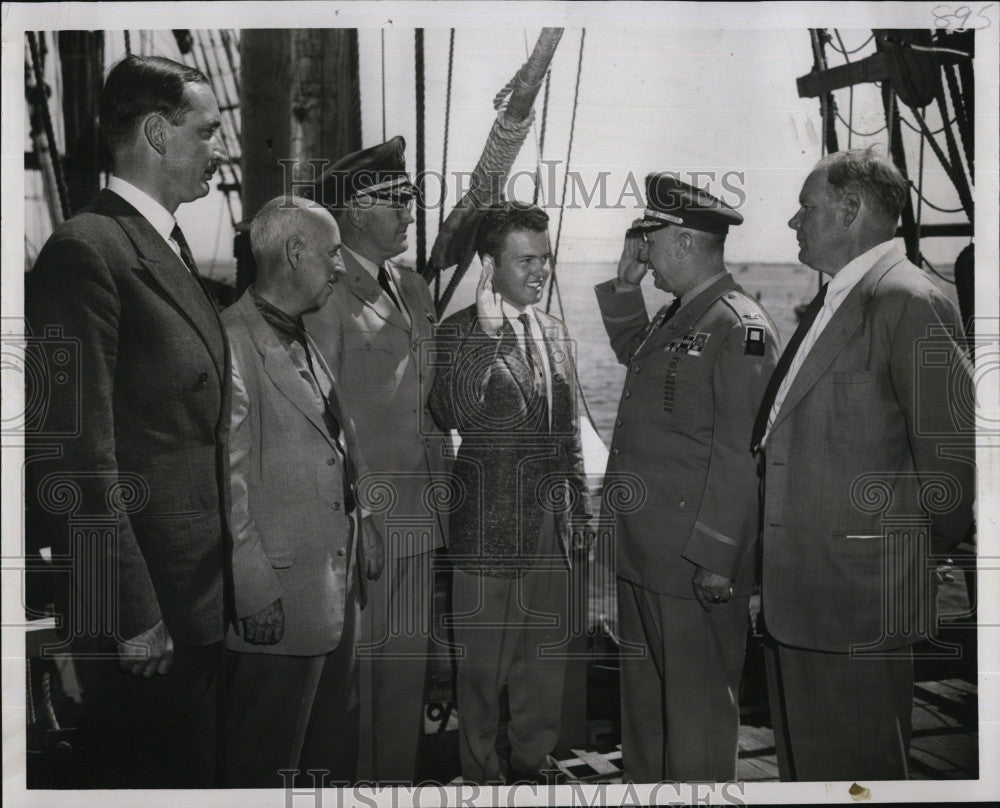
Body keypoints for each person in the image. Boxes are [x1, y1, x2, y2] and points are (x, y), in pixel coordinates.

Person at [24, 55, 231, 787]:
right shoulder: (85, 252)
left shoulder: (157, 248)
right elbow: (77, 459)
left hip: (196, 604)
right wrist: (132, 612)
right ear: (156, 132)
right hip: (148, 619)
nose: (221, 150)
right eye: (207, 132)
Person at [754, 148, 975, 781]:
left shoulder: (910, 300)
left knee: (859, 778)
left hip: (859, 601)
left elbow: (952, 469)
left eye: (806, 208)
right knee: (809, 775)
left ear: (851, 210)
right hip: (803, 596)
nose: (795, 223)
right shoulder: (841, 300)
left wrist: (890, 561)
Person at [594, 174, 780, 782]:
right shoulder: (681, 316)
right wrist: (625, 288)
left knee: (696, 726)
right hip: (646, 556)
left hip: (693, 564)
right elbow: (639, 357)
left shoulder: (739, 326)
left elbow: (740, 456)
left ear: (680, 242)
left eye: (648, 241)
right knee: (646, 718)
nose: (642, 253)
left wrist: (719, 558)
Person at [222, 196, 385, 786]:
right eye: (333, 252)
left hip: (330, 595)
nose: (340, 266)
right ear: (294, 253)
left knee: (325, 763)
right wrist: (253, 590)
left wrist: (364, 516)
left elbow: (336, 441)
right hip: (279, 603)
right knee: (263, 769)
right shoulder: (233, 342)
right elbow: (227, 482)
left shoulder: (301, 337)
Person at [429, 202, 594, 784]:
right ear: (488, 265)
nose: (540, 271)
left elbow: (567, 430)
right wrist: (489, 339)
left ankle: (532, 763)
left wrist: (578, 505)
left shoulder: (553, 330)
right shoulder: (456, 333)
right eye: (526, 260)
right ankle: (480, 776)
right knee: (480, 672)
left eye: (545, 259)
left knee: (542, 664)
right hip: (487, 529)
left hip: (550, 529)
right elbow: (450, 410)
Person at [303, 136, 450, 782]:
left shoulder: (414, 288)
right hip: (367, 526)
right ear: (356, 210)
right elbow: (319, 416)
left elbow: (430, 397)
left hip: (421, 515)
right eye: (398, 200)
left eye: (412, 196)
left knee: (404, 685)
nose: (411, 211)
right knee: (358, 690)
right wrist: (357, 515)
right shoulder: (325, 294)